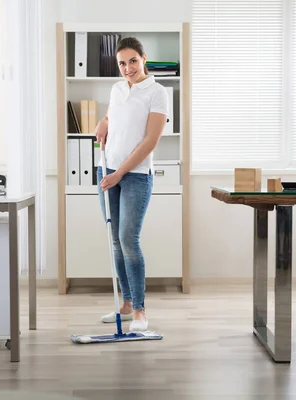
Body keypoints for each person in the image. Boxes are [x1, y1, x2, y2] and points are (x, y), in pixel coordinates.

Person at [94, 37, 169, 332]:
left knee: (128, 240)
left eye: (133, 61)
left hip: (135, 175)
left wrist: (120, 173)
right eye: (122, 63)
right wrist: (104, 122)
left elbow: (150, 140)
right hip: (107, 169)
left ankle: (139, 309)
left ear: (144, 58)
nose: (128, 68)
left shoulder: (158, 92)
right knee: (115, 240)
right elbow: (116, 116)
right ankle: (125, 304)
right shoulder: (116, 88)